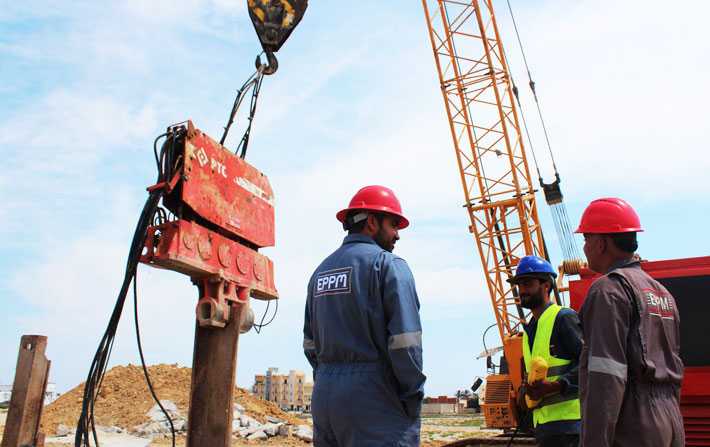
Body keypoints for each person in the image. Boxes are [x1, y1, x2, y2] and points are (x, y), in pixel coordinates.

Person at [303, 185, 425, 446]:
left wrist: (330, 376)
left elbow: (310, 344)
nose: (397, 235)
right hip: (375, 399)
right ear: (371, 222)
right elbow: (406, 344)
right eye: (393, 225)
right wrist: (412, 395)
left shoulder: (319, 274)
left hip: (326, 397)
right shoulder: (390, 266)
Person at [576, 197, 684, 446]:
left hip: (633, 424)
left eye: (586, 238)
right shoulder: (660, 292)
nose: (584, 247)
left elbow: (606, 375)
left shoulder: (608, 290)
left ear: (601, 243)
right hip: (670, 420)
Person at [509, 255, 582, 447]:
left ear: (546, 285)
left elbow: (590, 364)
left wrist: (556, 386)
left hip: (571, 427)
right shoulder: (528, 331)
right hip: (544, 427)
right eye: (519, 285)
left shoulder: (563, 318)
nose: (522, 290)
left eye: (528, 283)